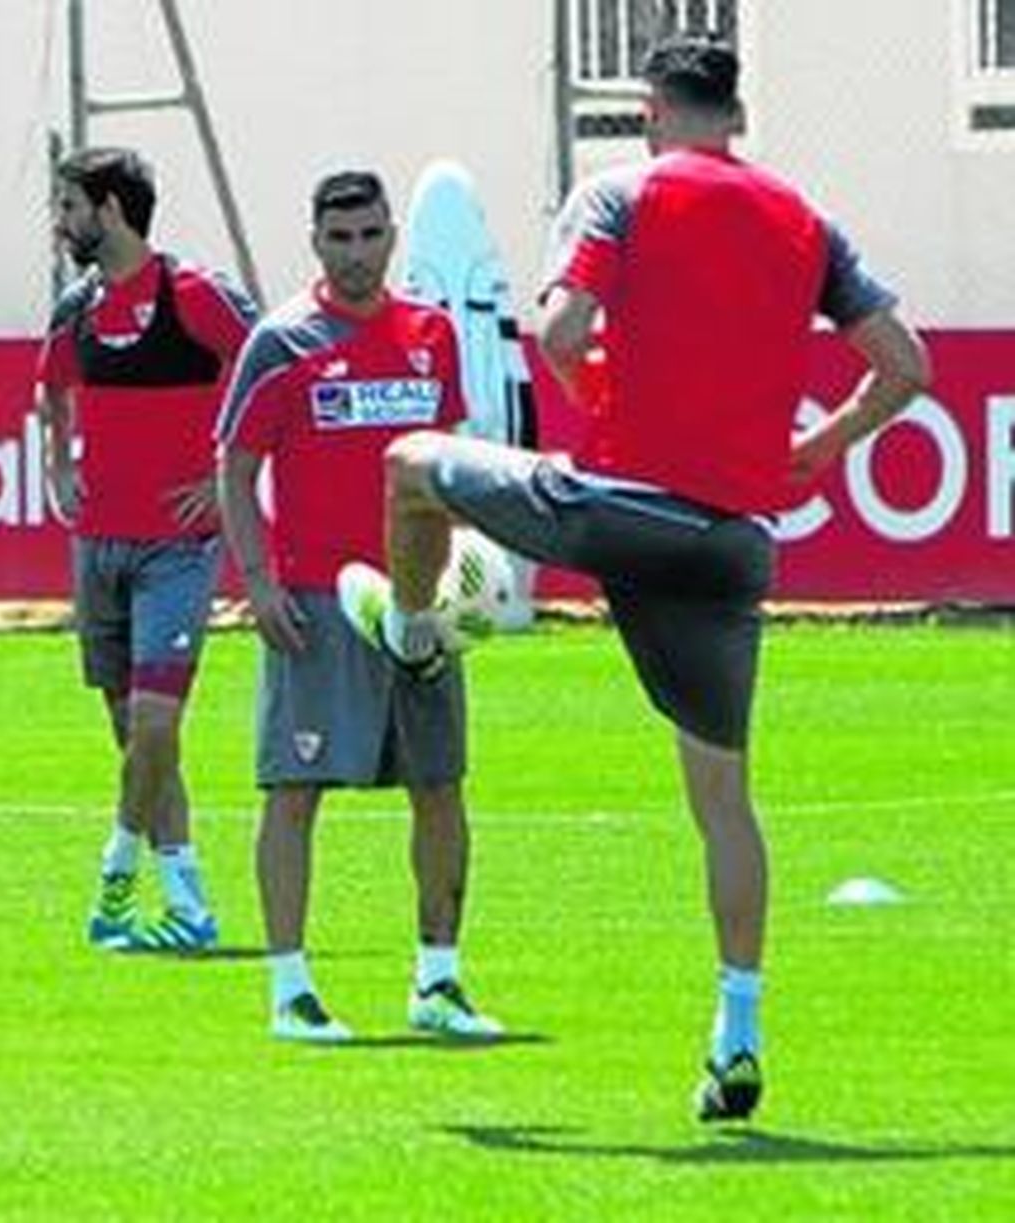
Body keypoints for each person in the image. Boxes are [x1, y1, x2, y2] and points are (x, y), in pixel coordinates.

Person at [340, 37, 930, 1115]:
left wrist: (588, 385)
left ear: (654, 109)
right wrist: (827, 442)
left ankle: (413, 635)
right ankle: (735, 1034)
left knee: (409, 465)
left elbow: (555, 327)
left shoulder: (617, 193)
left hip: (621, 503)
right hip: (732, 536)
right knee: (722, 798)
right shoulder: (805, 220)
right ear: (734, 114)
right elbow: (905, 365)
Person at [217, 170, 504, 1043]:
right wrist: (259, 582)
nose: (356, 253)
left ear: (390, 238)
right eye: (339, 239)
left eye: (371, 235)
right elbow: (234, 463)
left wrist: (460, 583)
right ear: (315, 242)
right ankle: (290, 989)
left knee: (439, 784)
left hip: (417, 601)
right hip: (317, 600)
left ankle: (439, 980)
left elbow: (451, 463)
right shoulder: (282, 339)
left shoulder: (431, 334)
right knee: (295, 788)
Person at [37, 147, 258, 952]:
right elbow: (50, 387)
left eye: (69, 207)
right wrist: (60, 462)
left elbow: (267, 361)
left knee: (157, 726)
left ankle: (116, 872)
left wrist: (220, 472)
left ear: (112, 209)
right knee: (137, 738)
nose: (60, 223)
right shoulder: (77, 306)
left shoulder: (191, 294)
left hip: (178, 547)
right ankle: (190, 905)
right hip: (99, 545)